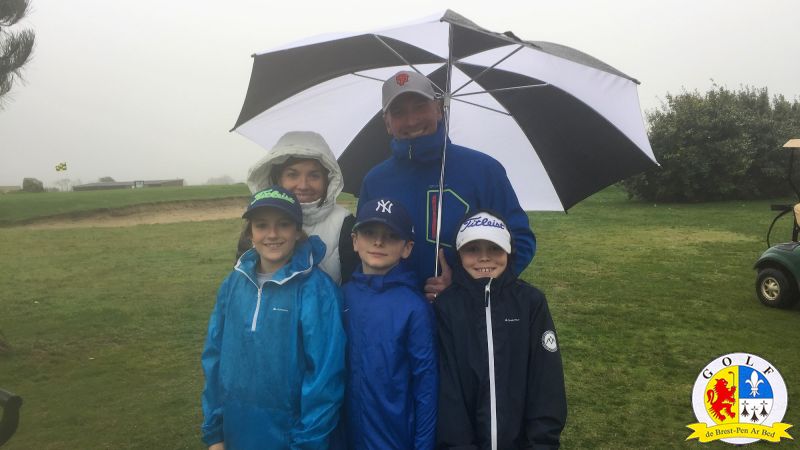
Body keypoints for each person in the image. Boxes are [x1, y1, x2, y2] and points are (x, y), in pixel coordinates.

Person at [358, 70, 536, 300]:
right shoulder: (375, 180)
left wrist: (466, 285)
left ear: (439, 109)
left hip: (465, 313)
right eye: (399, 112)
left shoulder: (484, 170)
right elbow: (363, 249)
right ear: (387, 123)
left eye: (420, 107)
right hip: (396, 312)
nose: (411, 120)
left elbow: (519, 241)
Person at [201, 186, 346, 450]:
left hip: (290, 439)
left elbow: (325, 378)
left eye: (283, 224)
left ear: (298, 231)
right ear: (250, 233)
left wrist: (306, 444)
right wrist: (215, 432)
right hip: (235, 433)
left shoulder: (317, 290)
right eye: (261, 225)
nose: (272, 234)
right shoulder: (233, 283)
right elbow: (214, 357)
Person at [434, 211, 567, 449]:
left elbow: (546, 383)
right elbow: (448, 393)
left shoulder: (531, 303)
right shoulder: (447, 307)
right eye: (472, 249)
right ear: (459, 254)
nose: (484, 258)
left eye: (495, 248)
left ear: (509, 251)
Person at [342, 198, 438, 450]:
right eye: (369, 233)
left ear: (407, 248)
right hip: (345, 437)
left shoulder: (414, 307)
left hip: (393, 439)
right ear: (355, 240)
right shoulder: (342, 296)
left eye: (392, 235)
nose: (378, 242)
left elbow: (426, 386)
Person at [241, 130, 358, 284]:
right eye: (292, 175)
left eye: (314, 176)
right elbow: (243, 279)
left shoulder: (344, 223)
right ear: (278, 179)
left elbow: (353, 284)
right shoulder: (258, 219)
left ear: (327, 180)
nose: (303, 185)